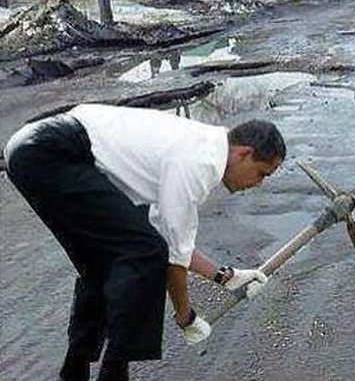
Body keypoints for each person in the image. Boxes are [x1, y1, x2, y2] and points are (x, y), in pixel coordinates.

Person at [3, 103, 286, 381]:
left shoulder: (202, 145)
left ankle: (75, 371)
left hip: (36, 150)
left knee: (107, 264)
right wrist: (185, 317)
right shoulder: (199, 162)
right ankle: (114, 373)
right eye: (261, 173)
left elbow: (166, 237)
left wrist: (224, 277)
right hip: (52, 152)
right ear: (243, 153)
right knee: (145, 253)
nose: (258, 183)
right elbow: (172, 257)